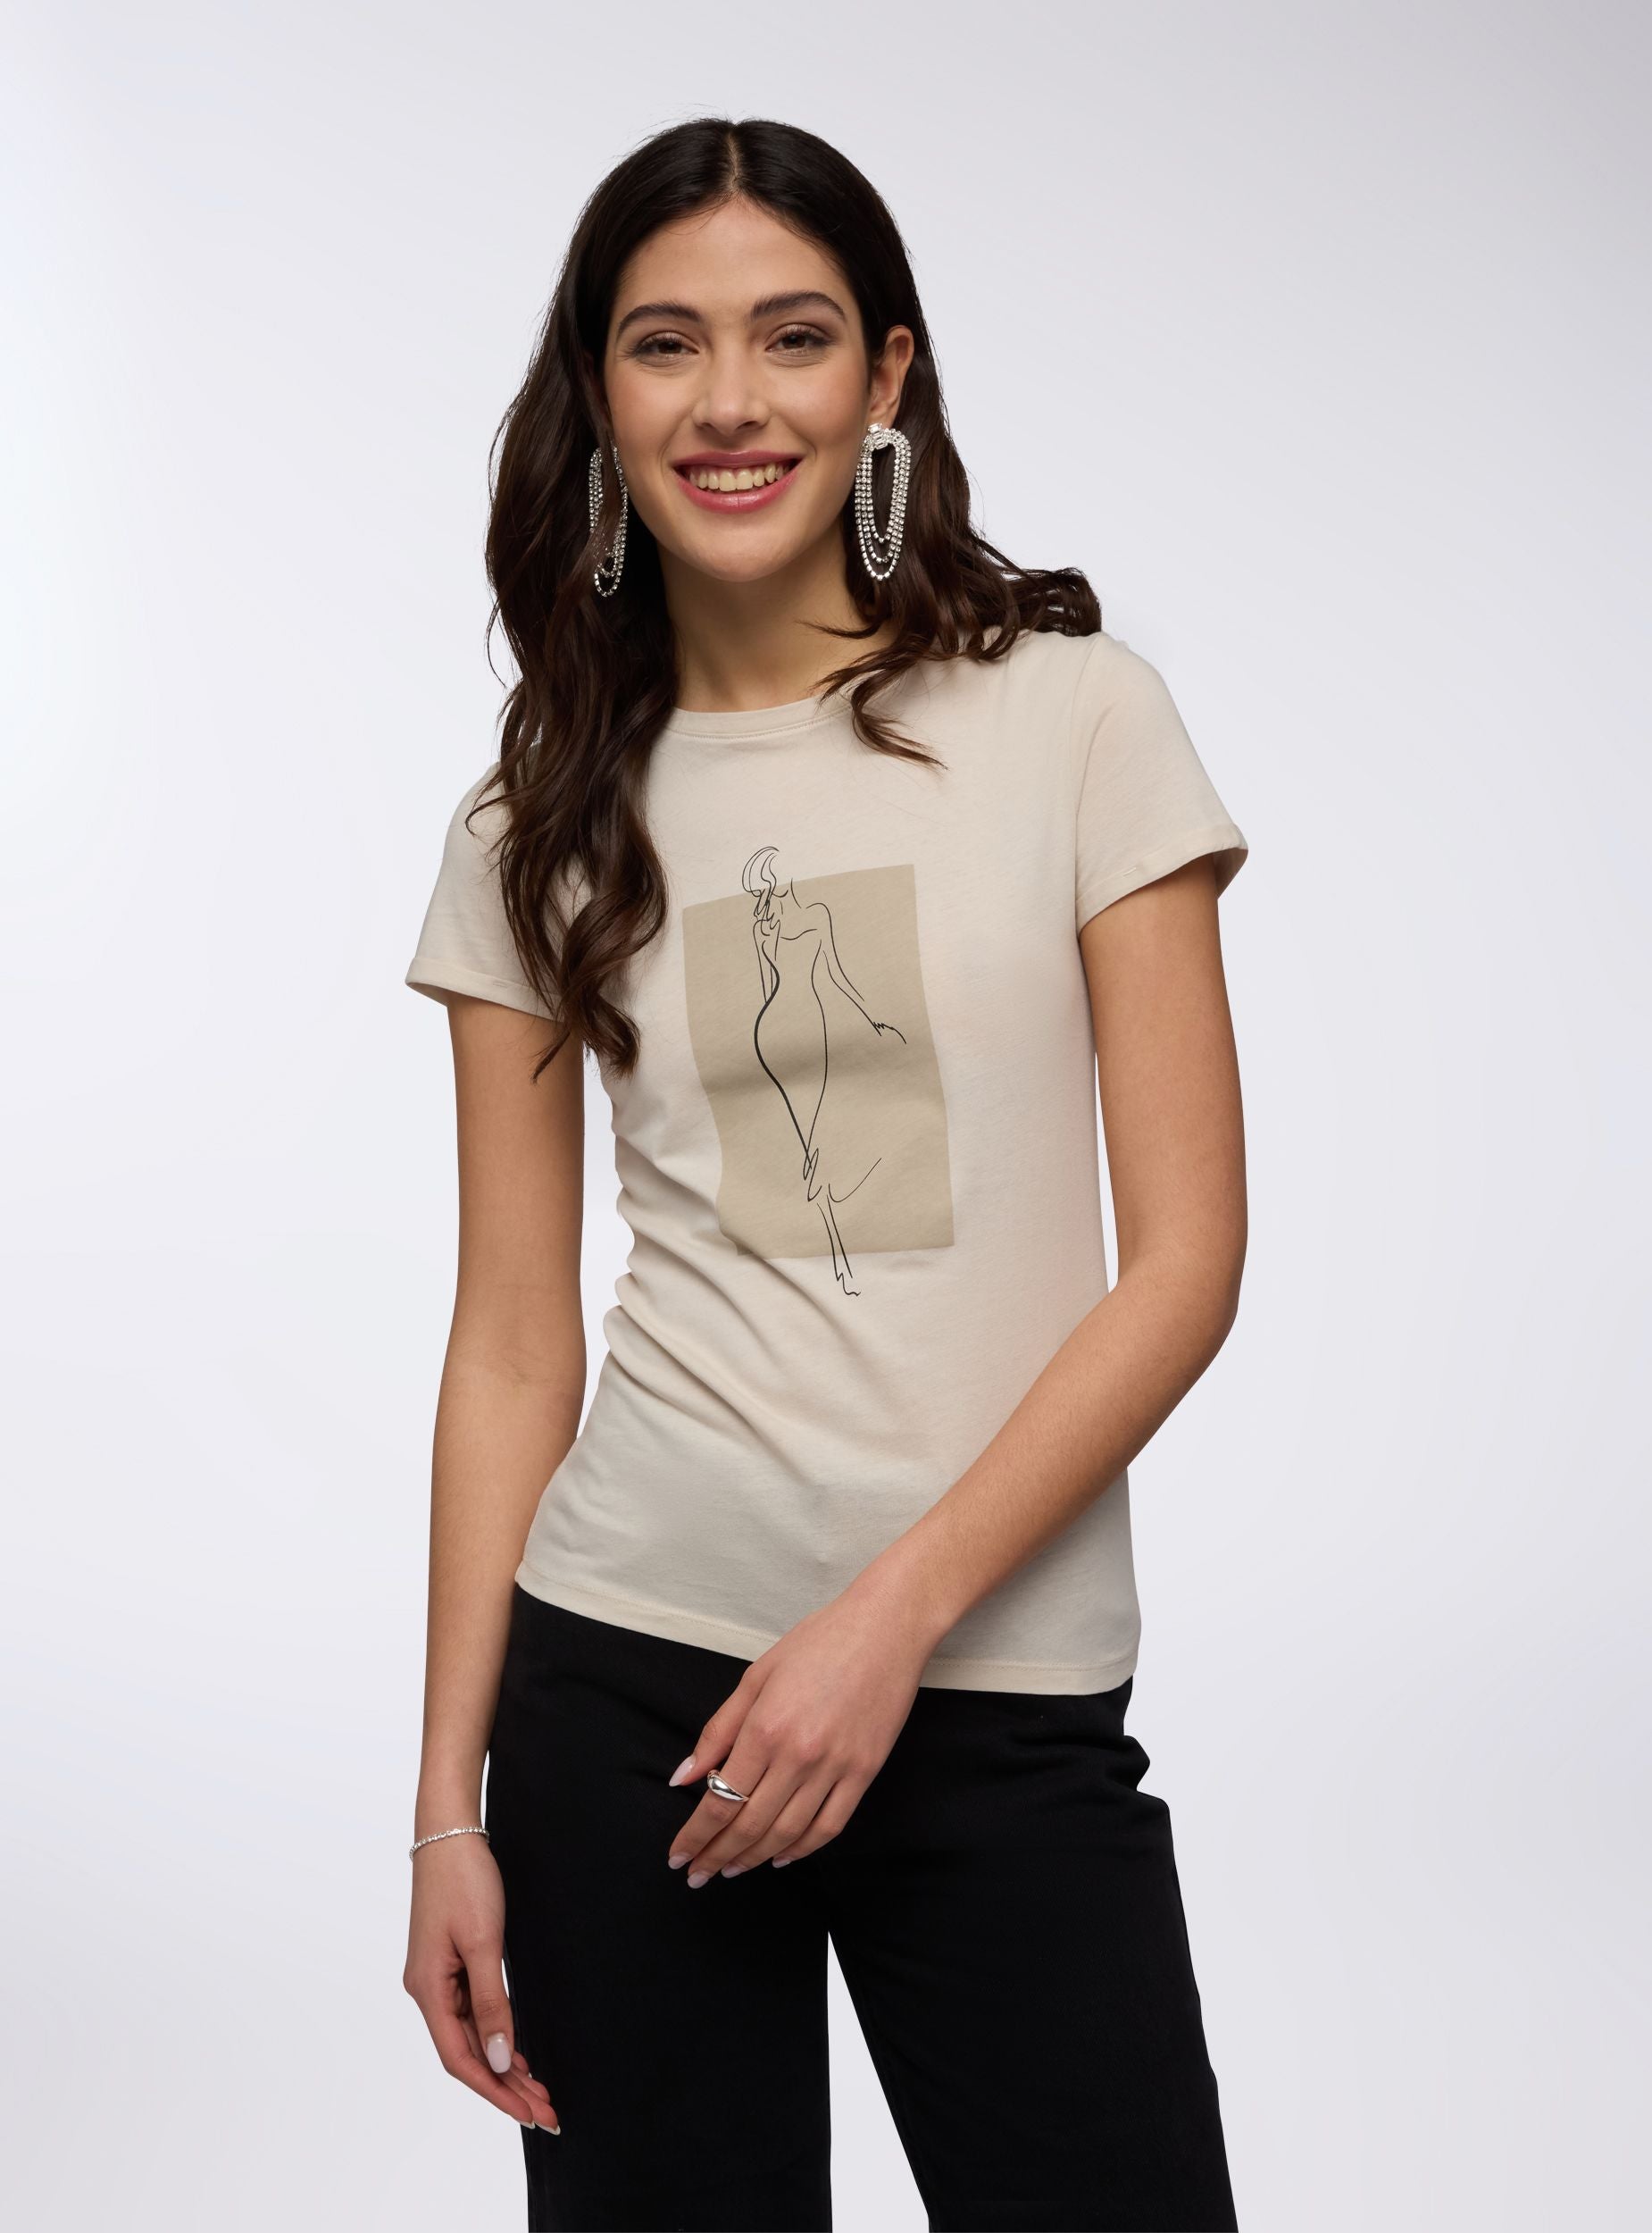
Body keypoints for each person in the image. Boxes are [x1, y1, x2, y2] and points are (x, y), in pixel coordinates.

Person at [400, 114, 1249, 2233]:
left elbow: (1186, 1262)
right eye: (664, 343)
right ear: (598, 393)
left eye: (790, 337)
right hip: (627, 1693)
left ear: (884, 376)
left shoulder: (1073, 718)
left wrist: (890, 1619)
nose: (730, 399)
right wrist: (446, 1807)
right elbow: (510, 1342)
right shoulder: (535, 821)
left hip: (985, 1684)